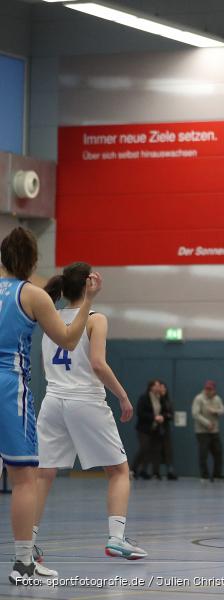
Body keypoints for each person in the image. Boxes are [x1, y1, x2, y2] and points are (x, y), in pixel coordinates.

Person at [0, 227, 101, 583]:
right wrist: (88, 300)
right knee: (25, 479)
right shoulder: (33, 296)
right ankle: (24, 563)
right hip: (9, 388)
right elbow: (70, 340)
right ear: (32, 260)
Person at [33, 262, 147, 562]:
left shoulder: (51, 317)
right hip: (84, 400)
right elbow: (97, 364)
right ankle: (116, 539)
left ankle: (27, 542)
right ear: (89, 284)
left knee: (42, 475)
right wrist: (123, 396)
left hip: (53, 401)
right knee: (119, 471)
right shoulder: (96, 318)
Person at [193, 380, 224, 481]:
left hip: (214, 431)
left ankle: (217, 474)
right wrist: (207, 423)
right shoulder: (199, 398)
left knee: (218, 452)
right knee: (203, 453)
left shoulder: (217, 399)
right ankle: (204, 475)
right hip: (202, 431)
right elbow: (195, 414)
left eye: (210, 389)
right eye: (206, 389)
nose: (208, 391)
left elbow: (223, 410)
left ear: (214, 390)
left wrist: (216, 411)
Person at [134, 380, 166, 480]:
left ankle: (147, 471)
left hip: (155, 429)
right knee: (144, 448)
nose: (159, 387)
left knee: (154, 450)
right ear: (151, 387)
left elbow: (165, 410)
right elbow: (140, 412)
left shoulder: (160, 398)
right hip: (144, 428)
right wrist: (154, 417)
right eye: (156, 385)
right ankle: (133, 470)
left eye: (159, 386)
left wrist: (162, 417)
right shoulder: (144, 398)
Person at [158, 381, 177, 480]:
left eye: (164, 388)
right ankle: (156, 472)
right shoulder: (155, 400)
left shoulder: (167, 400)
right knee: (155, 450)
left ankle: (170, 471)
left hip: (165, 427)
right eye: (160, 388)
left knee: (168, 450)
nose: (162, 390)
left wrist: (165, 416)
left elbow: (171, 414)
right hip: (155, 428)